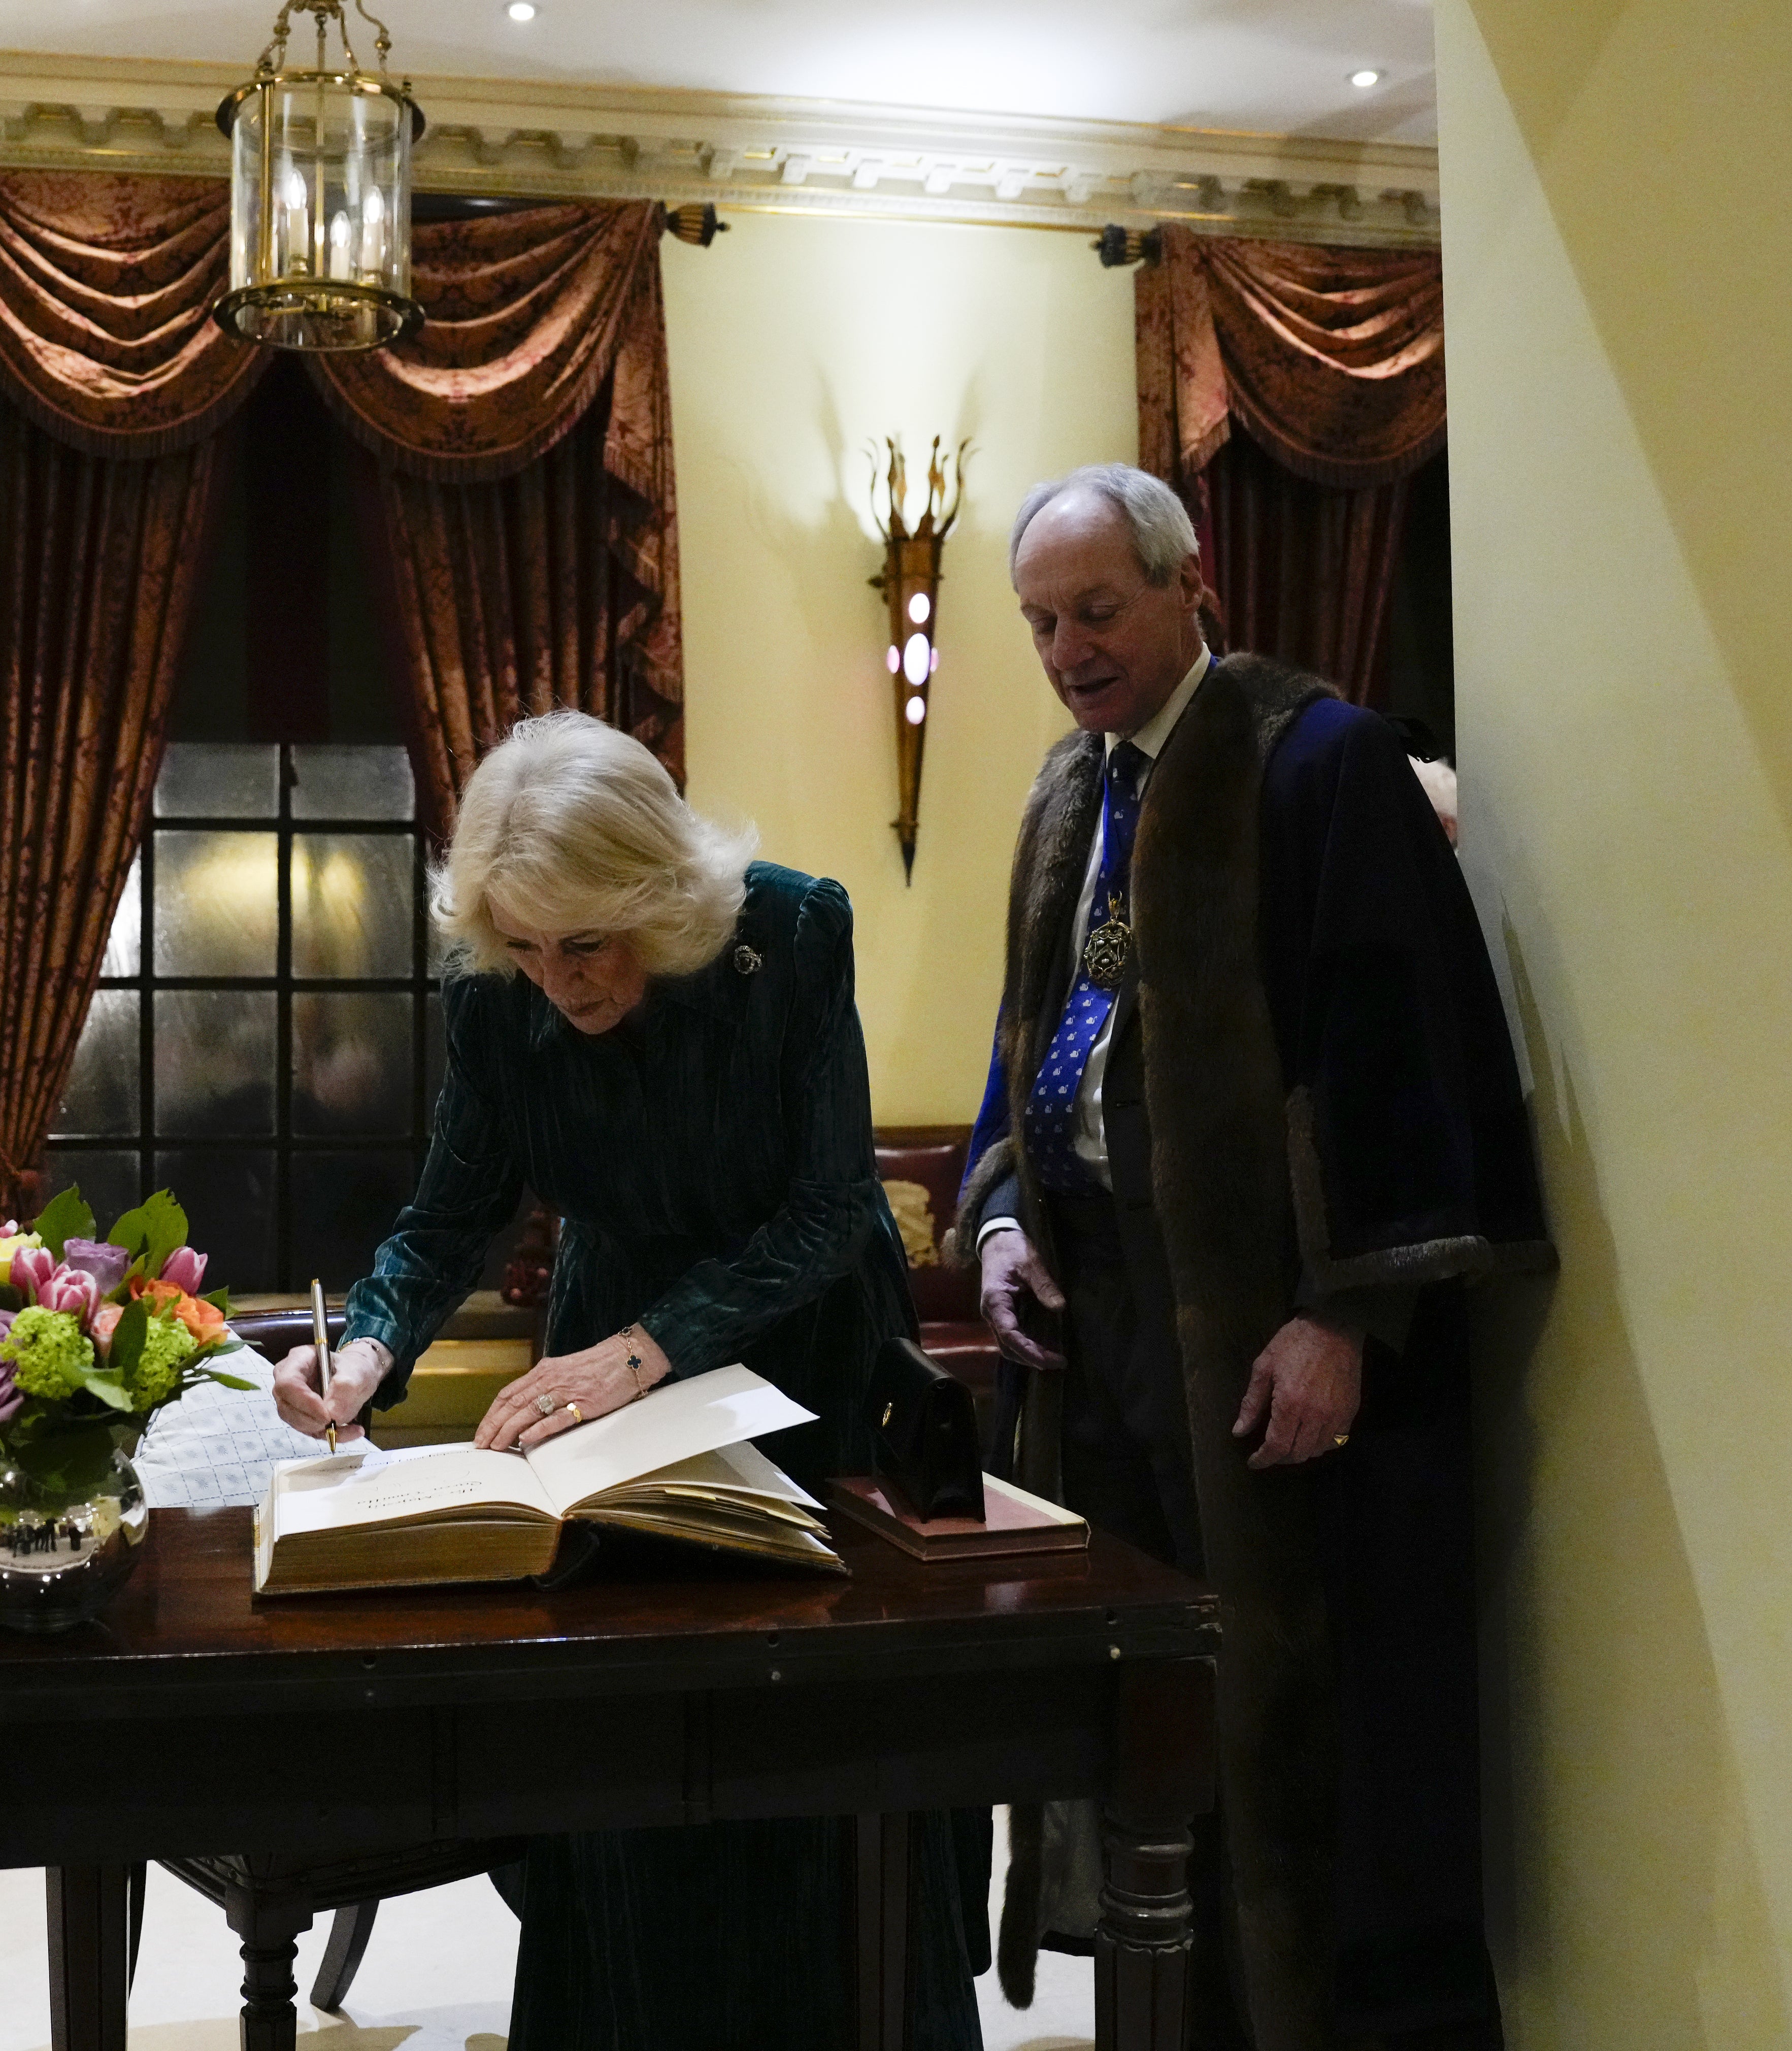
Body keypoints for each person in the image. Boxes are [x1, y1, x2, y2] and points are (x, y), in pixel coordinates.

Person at [273, 707, 984, 2050]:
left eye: (585, 945)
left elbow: (835, 1211)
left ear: (662, 896)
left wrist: (652, 1343)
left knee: (815, 1733)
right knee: (625, 1714)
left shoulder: (791, 933)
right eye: (525, 948)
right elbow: (450, 1214)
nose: (558, 981)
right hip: (610, 1364)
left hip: (805, 1351)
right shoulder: (494, 985)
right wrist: (363, 1349)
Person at [955, 465, 1549, 2051]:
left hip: (1267, 1332)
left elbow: (1395, 1053)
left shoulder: (1316, 762)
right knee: (1154, 1703)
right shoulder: (1063, 795)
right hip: (1107, 1326)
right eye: (1040, 622)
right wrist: (1003, 1212)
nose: (1068, 647)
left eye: (1096, 609)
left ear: (1187, 581)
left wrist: (1341, 1312)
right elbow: (1033, 1047)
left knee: (1309, 1730)